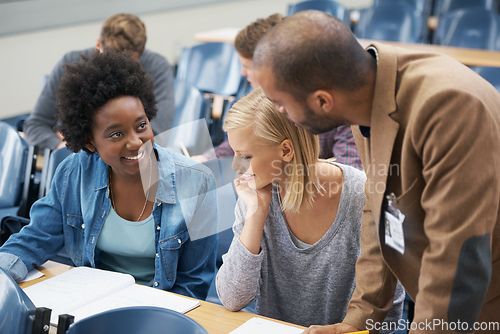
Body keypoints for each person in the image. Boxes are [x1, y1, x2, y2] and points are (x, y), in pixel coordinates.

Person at [253, 10, 500, 334]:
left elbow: (458, 256)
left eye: (280, 102)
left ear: (323, 100)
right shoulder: (365, 92)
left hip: (480, 302)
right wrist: (358, 321)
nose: (279, 112)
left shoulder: (448, 107)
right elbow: (381, 212)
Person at [0, 50, 217, 300]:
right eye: (116, 134)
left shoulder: (197, 182)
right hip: (92, 301)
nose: (136, 142)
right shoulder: (74, 172)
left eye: (141, 126)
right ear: (89, 141)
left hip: (161, 308)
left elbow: (194, 283)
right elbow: (35, 238)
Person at [215, 88, 404, 330]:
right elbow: (233, 298)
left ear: (285, 151)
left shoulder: (363, 196)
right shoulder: (255, 196)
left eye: (245, 156)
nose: (235, 166)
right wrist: (255, 216)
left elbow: (388, 313)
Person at [192, 13, 362, 170]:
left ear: (271, 68)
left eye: (247, 66)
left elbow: (349, 175)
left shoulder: (336, 107)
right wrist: (207, 158)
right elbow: (242, 141)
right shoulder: (261, 104)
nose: (243, 74)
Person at [23, 13, 175, 151]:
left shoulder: (157, 67)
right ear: (97, 45)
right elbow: (35, 125)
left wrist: (94, 145)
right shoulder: (70, 63)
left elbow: (156, 135)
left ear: (141, 54)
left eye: (127, 64)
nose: (116, 72)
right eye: (109, 61)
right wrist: (61, 146)